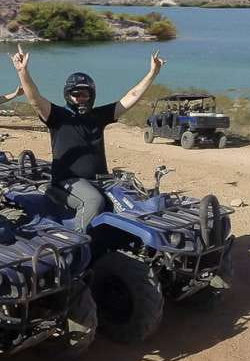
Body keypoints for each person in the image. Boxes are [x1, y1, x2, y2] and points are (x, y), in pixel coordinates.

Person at [12, 44, 166, 230]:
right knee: (93, 201)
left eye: (84, 94)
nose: (79, 98)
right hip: (67, 181)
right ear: (68, 96)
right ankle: (76, 243)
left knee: (134, 198)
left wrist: (153, 73)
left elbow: (131, 97)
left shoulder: (98, 116)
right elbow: (35, 99)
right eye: (74, 94)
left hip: (100, 179)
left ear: (91, 95)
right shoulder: (57, 116)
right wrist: (22, 72)